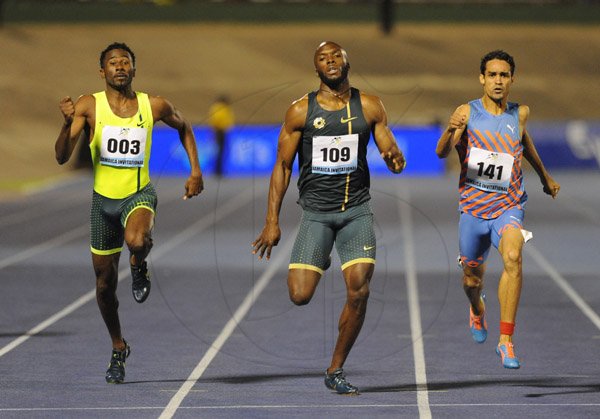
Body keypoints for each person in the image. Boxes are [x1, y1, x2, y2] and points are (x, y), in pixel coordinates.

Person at [252, 41, 406, 394]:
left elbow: (389, 149)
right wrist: (272, 221)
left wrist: (394, 159)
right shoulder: (299, 112)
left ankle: (335, 368)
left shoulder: (369, 106)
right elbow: (282, 165)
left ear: (347, 62)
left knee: (359, 291)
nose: (331, 61)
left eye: (336, 56)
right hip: (316, 215)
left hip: (356, 212)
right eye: (323, 58)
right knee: (300, 295)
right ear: (316, 68)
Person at [54, 42, 203, 383]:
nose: (119, 67)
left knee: (137, 240)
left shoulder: (153, 105)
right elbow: (62, 157)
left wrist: (195, 171)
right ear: (102, 71)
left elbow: (184, 126)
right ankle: (118, 346)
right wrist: (65, 125)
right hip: (102, 203)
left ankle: (139, 263)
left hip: (138, 194)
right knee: (104, 286)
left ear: (134, 70)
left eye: (125, 62)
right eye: (112, 63)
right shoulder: (89, 105)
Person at [435, 50, 560, 369]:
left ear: (512, 79)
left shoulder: (520, 114)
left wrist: (545, 177)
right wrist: (450, 129)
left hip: (509, 208)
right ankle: (477, 309)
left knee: (514, 258)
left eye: (504, 75)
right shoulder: (466, 111)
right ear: (482, 78)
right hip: (473, 212)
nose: (498, 81)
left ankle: (506, 341)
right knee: (471, 281)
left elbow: (524, 143)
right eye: (492, 75)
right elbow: (440, 153)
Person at [208, 95, 234, 177]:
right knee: (219, 152)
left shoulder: (219, 108)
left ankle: (219, 170)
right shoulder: (220, 108)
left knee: (220, 152)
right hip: (220, 131)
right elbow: (217, 119)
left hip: (220, 131)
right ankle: (218, 171)